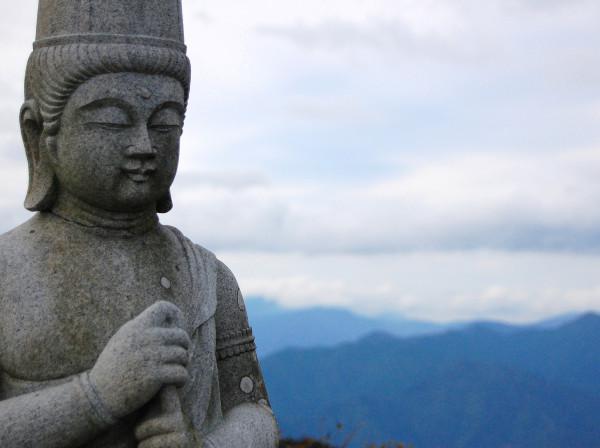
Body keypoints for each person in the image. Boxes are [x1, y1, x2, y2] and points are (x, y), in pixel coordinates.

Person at [0, 1, 278, 447]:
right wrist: (97, 396)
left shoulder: (208, 277)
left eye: (166, 122)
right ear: (39, 133)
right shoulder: (6, 272)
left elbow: (255, 412)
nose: (144, 144)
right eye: (112, 118)